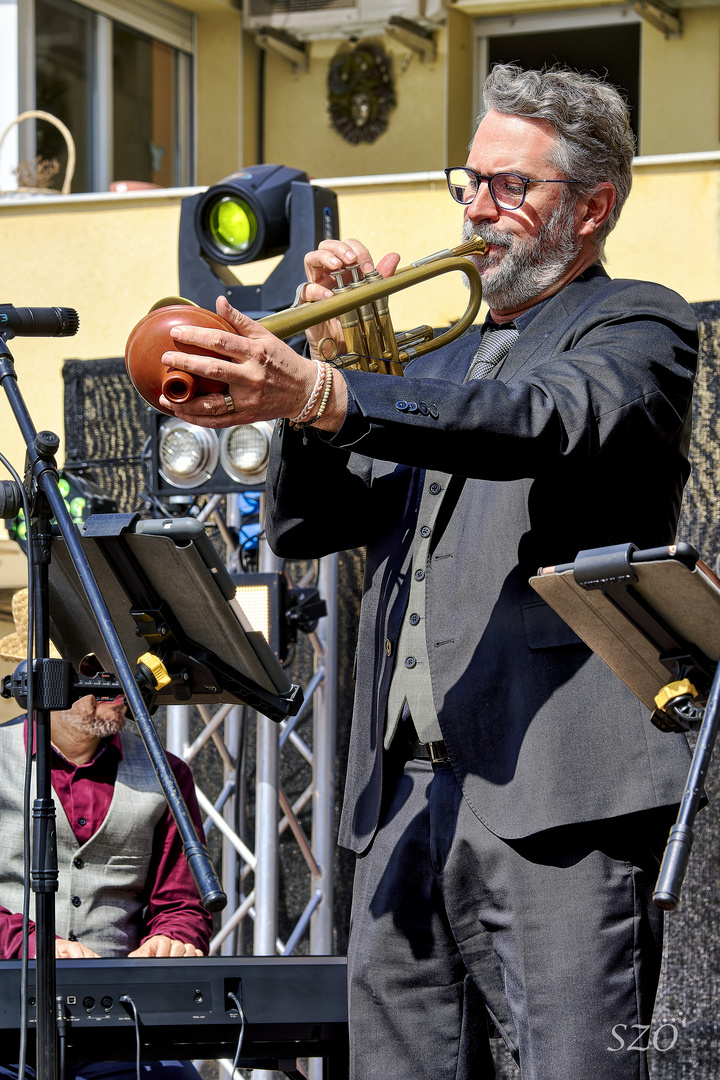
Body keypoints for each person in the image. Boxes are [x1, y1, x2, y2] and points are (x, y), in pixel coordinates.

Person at [155, 65, 699, 1080]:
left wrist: (331, 390)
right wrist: (328, 371)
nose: (478, 210)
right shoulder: (431, 357)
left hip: (555, 796)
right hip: (399, 797)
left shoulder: (638, 327)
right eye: (470, 182)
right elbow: (313, 526)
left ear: (593, 208)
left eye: (510, 187)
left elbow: (539, 421)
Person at [0, 589, 213, 1079]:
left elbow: (182, 905)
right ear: (47, 682)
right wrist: (32, 945)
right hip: (5, 1016)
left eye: (119, 673)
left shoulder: (167, 774)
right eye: (95, 674)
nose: (117, 688)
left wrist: (172, 939)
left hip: (121, 1028)